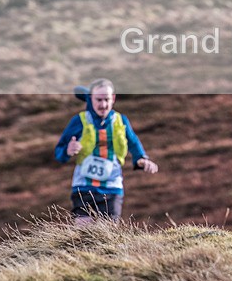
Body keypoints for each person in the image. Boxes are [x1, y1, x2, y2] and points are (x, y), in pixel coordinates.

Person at [54, 78, 158, 224]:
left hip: (112, 187)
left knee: (108, 234)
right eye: (98, 100)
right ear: (90, 99)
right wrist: (68, 150)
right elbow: (59, 152)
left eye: (107, 99)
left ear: (113, 98)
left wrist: (141, 158)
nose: (103, 105)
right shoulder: (80, 120)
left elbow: (133, 142)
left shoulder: (120, 120)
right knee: (82, 235)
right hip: (83, 186)